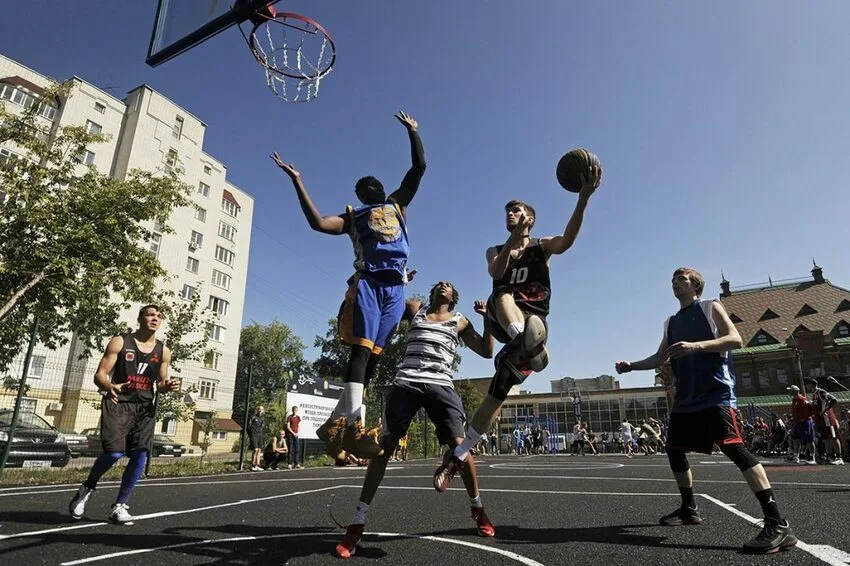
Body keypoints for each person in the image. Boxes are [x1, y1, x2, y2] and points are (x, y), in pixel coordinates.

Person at [434, 165, 601, 489]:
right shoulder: (496, 249)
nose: (511, 213)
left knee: (496, 397)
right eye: (508, 211)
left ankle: (459, 454)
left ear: (530, 218)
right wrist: (513, 239)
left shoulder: (543, 245)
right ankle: (523, 340)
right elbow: (497, 274)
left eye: (517, 210)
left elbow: (566, 241)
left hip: (535, 325)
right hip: (505, 321)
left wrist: (582, 198)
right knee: (503, 292)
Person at [271, 111, 425, 461]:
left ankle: (333, 424)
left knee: (372, 359)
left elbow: (419, 169)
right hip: (369, 283)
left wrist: (413, 133)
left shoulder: (397, 205)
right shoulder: (354, 216)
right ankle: (354, 427)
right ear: (358, 195)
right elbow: (317, 223)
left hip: (395, 289)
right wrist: (298, 181)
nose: (368, 187)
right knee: (359, 353)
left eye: (371, 185)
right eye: (362, 187)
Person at [614, 267, 797, 554]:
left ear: (695, 285)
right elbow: (661, 356)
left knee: (735, 450)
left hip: (715, 394)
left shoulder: (711, 306)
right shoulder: (671, 321)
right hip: (686, 398)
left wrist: (696, 346)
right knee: (674, 449)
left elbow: (735, 339)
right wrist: (631, 366)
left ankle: (777, 523)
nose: (675, 283)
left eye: (682, 279)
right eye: (673, 280)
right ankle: (689, 508)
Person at [335, 282, 495, 558]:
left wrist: (488, 319)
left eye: (450, 285)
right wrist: (396, 280)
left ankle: (478, 509)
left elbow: (487, 351)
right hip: (406, 383)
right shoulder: (415, 309)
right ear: (432, 293)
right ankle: (358, 522)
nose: (444, 284)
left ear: (453, 297)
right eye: (440, 283)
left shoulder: (460, 321)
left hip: (441, 386)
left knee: (462, 447)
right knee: (383, 449)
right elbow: (386, 305)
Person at [68, 305, 178, 524]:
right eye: (150, 314)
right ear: (140, 318)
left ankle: (119, 506)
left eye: (159, 316)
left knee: (140, 456)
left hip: (144, 407)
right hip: (118, 403)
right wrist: (109, 386)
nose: (155, 318)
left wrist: (169, 385)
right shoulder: (120, 341)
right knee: (115, 454)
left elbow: (161, 383)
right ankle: (87, 487)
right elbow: (100, 374)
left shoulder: (163, 350)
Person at [806, 378, 843, 465]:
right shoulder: (814, 394)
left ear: (811, 385)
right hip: (821, 420)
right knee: (826, 438)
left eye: (807, 384)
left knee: (833, 437)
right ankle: (829, 456)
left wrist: (825, 410)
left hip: (828, 419)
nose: (806, 386)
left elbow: (834, 400)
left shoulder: (820, 392)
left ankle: (839, 457)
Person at [788, 385, 816, 464]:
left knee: (809, 440)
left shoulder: (802, 399)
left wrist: (804, 418)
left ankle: (812, 457)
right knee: (796, 439)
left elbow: (810, 409)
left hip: (805, 422)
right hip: (797, 422)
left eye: (790, 390)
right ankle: (796, 456)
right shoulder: (794, 400)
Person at [248, 406, 265, 471]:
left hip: (259, 436)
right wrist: (251, 435)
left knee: (259, 450)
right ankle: (253, 465)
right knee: (255, 449)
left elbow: (261, 428)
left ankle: (257, 465)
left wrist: (260, 434)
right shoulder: (253, 417)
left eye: (261, 410)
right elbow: (248, 427)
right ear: (257, 410)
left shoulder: (262, 419)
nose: (260, 411)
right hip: (253, 435)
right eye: (259, 409)